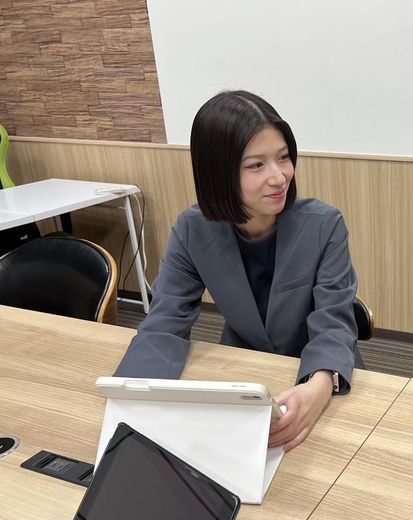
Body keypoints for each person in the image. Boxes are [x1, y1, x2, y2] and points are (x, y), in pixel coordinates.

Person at [115, 90, 362, 452]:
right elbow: (165, 323)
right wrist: (130, 399)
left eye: (283, 158)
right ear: (219, 174)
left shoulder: (323, 225)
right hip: (243, 369)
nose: (279, 177)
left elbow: (334, 323)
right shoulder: (192, 229)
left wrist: (320, 384)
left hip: (321, 373)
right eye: (256, 165)